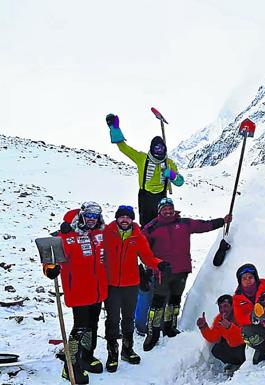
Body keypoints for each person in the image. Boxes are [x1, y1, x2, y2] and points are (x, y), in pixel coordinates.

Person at [141, 198, 231, 351]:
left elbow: (203, 225)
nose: (168, 212)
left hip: (182, 270)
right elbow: (141, 248)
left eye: (170, 208)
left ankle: (170, 327)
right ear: (159, 211)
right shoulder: (151, 228)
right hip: (162, 272)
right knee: (157, 305)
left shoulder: (184, 223)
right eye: (164, 209)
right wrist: (147, 266)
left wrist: (222, 221)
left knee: (175, 302)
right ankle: (153, 333)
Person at [43, 202, 108, 384]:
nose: (91, 220)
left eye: (95, 217)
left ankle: (86, 356)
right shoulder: (67, 235)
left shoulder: (100, 233)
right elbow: (50, 258)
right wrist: (50, 269)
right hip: (78, 291)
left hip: (97, 290)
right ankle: (70, 365)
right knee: (80, 327)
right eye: (88, 216)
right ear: (81, 216)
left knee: (93, 325)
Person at [102, 205, 171, 372]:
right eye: (122, 217)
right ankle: (112, 353)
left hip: (131, 285)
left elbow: (147, 257)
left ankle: (127, 350)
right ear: (117, 218)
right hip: (111, 285)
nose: (125, 220)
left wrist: (158, 263)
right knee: (112, 320)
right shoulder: (106, 233)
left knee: (128, 319)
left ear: (132, 219)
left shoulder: (137, 236)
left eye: (128, 217)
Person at [106, 113, 184, 226]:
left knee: (162, 225)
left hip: (161, 197)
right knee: (146, 226)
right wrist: (115, 129)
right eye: (156, 147)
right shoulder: (142, 158)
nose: (159, 150)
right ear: (152, 148)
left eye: (161, 147)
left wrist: (173, 176)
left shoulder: (169, 163)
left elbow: (180, 182)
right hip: (145, 197)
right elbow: (124, 148)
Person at [232, 263, 265, 365]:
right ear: (240, 281)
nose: (248, 281)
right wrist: (251, 317)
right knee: (245, 332)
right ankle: (263, 347)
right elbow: (239, 318)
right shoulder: (237, 297)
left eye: (250, 277)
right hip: (259, 326)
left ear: (255, 278)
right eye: (244, 278)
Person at [196, 294, 246, 374]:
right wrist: (203, 327)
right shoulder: (219, 319)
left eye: (226, 306)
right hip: (233, 346)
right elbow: (214, 337)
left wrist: (230, 327)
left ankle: (245, 363)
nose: (223, 310)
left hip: (245, 347)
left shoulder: (240, 314)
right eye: (220, 307)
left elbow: (243, 337)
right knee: (216, 349)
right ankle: (236, 363)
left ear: (232, 306)